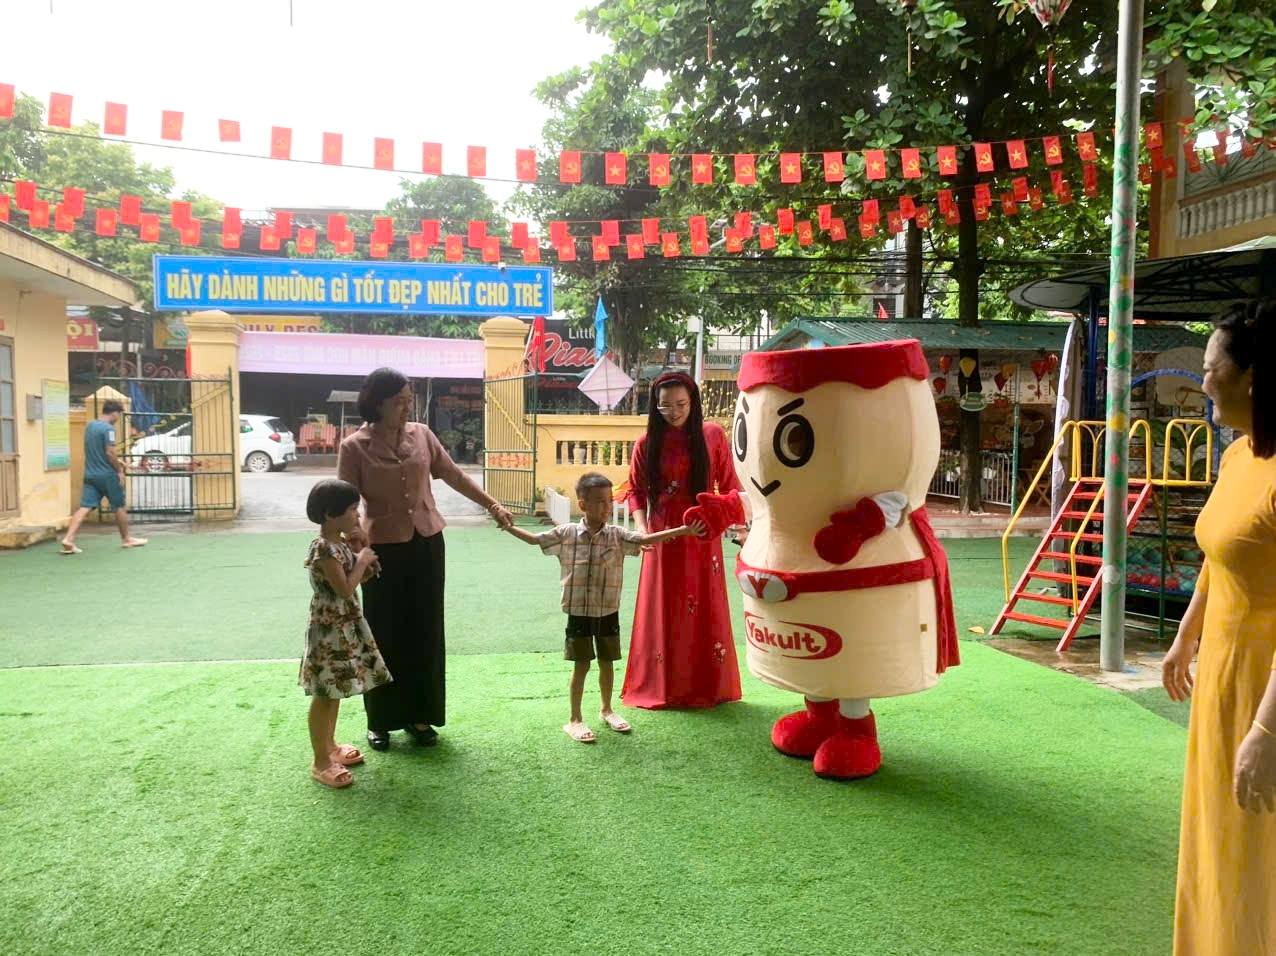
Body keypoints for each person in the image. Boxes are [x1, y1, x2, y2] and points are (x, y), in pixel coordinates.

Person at [1162, 298, 1276, 954]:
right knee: (1214, 837)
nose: (1201, 381)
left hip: (1265, 692)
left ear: (1253, 378)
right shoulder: (1238, 456)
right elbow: (1219, 555)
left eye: (1211, 369)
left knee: (1255, 851)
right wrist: (1187, 634)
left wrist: (1267, 730)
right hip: (1223, 680)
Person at [337, 368, 513, 753]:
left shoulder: (422, 435)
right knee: (383, 633)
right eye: (398, 402)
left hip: (428, 543)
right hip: (380, 552)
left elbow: (454, 475)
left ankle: (420, 715)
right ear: (377, 403)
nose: (406, 408)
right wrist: (358, 547)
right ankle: (380, 719)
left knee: (425, 630)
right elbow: (346, 505)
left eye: (408, 400)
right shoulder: (354, 446)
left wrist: (493, 505)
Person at [502, 472, 704, 743]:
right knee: (582, 665)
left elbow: (644, 540)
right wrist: (507, 525)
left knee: (607, 663)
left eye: (609, 501)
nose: (606, 506)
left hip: (608, 610)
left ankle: (607, 709)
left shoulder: (617, 536)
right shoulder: (567, 534)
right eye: (599, 501)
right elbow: (534, 539)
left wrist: (683, 530)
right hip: (579, 612)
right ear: (582, 504)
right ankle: (574, 719)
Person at [621, 371, 742, 709]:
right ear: (654, 406)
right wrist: (643, 530)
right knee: (664, 608)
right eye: (664, 406)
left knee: (702, 604)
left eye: (680, 404)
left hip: (702, 535)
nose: (673, 412)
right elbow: (635, 491)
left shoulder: (712, 435)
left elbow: (731, 486)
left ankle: (707, 686)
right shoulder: (646, 443)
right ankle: (662, 686)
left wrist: (734, 523)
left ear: (693, 403)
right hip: (661, 536)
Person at [301, 479, 392, 789]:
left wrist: (360, 551)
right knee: (325, 693)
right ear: (330, 514)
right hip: (329, 629)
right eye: (353, 509)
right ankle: (320, 762)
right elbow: (343, 588)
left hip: (345, 624)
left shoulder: (340, 543)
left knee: (336, 689)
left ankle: (330, 747)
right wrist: (362, 560)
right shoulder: (323, 548)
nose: (358, 515)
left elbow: (365, 576)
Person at [61, 399, 147, 554]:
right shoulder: (108, 429)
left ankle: (68, 539)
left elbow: (99, 451)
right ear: (114, 413)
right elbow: (109, 452)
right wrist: (119, 470)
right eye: (119, 415)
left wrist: (118, 461)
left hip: (91, 474)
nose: (118, 419)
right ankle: (126, 539)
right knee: (119, 506)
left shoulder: (90, 426)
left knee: (85, 507)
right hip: (107, 475)